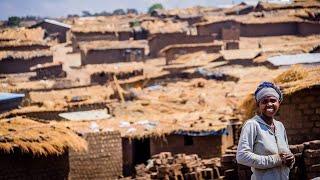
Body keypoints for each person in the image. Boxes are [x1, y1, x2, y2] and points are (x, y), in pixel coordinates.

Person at [236, 81, 295, 180]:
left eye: (273, 100)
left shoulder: (280, 126)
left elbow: (286, 154)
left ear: (278, 103)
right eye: (264, 101)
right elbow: (242, 156)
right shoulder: (252, 125)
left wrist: (291, 160)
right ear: (258, 105)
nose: (269, 104)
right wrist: (275, 159)